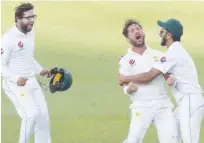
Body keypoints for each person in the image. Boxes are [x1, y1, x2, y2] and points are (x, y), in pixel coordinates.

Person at [119, 18, 204, 143]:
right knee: (171, 137)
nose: (160, 33)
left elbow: (149, 76)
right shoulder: (172, 51)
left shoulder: (170, 53)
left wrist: (125, 78)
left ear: (169, 35)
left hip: (189, 102)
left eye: (162, 31)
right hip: (182, 103)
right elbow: (169, 76)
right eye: (132, 30)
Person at [119, 19, 177, 143]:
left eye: (138, 28)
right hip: (141, 105)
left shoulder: (158, 54)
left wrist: (171, 79)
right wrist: (128, 90)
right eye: (132, 31)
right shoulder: (125, 60)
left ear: (143, 32)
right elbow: (123, 83)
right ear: (128, 39)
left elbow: (167, 75)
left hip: (162, 104)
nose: (136, 31)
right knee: (133, 140)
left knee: (171, 140)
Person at [1, 3, 51, 143]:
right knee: (31, 115)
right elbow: (1, 65)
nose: (32, 21)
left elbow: (28, 57)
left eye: (33, 17)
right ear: (17, 19)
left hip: (32, 81)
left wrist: (40, 70)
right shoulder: (8, 39)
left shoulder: (30, 33)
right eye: (28, 18)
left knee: (43, 116)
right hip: (15, 85)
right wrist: (16, 78)